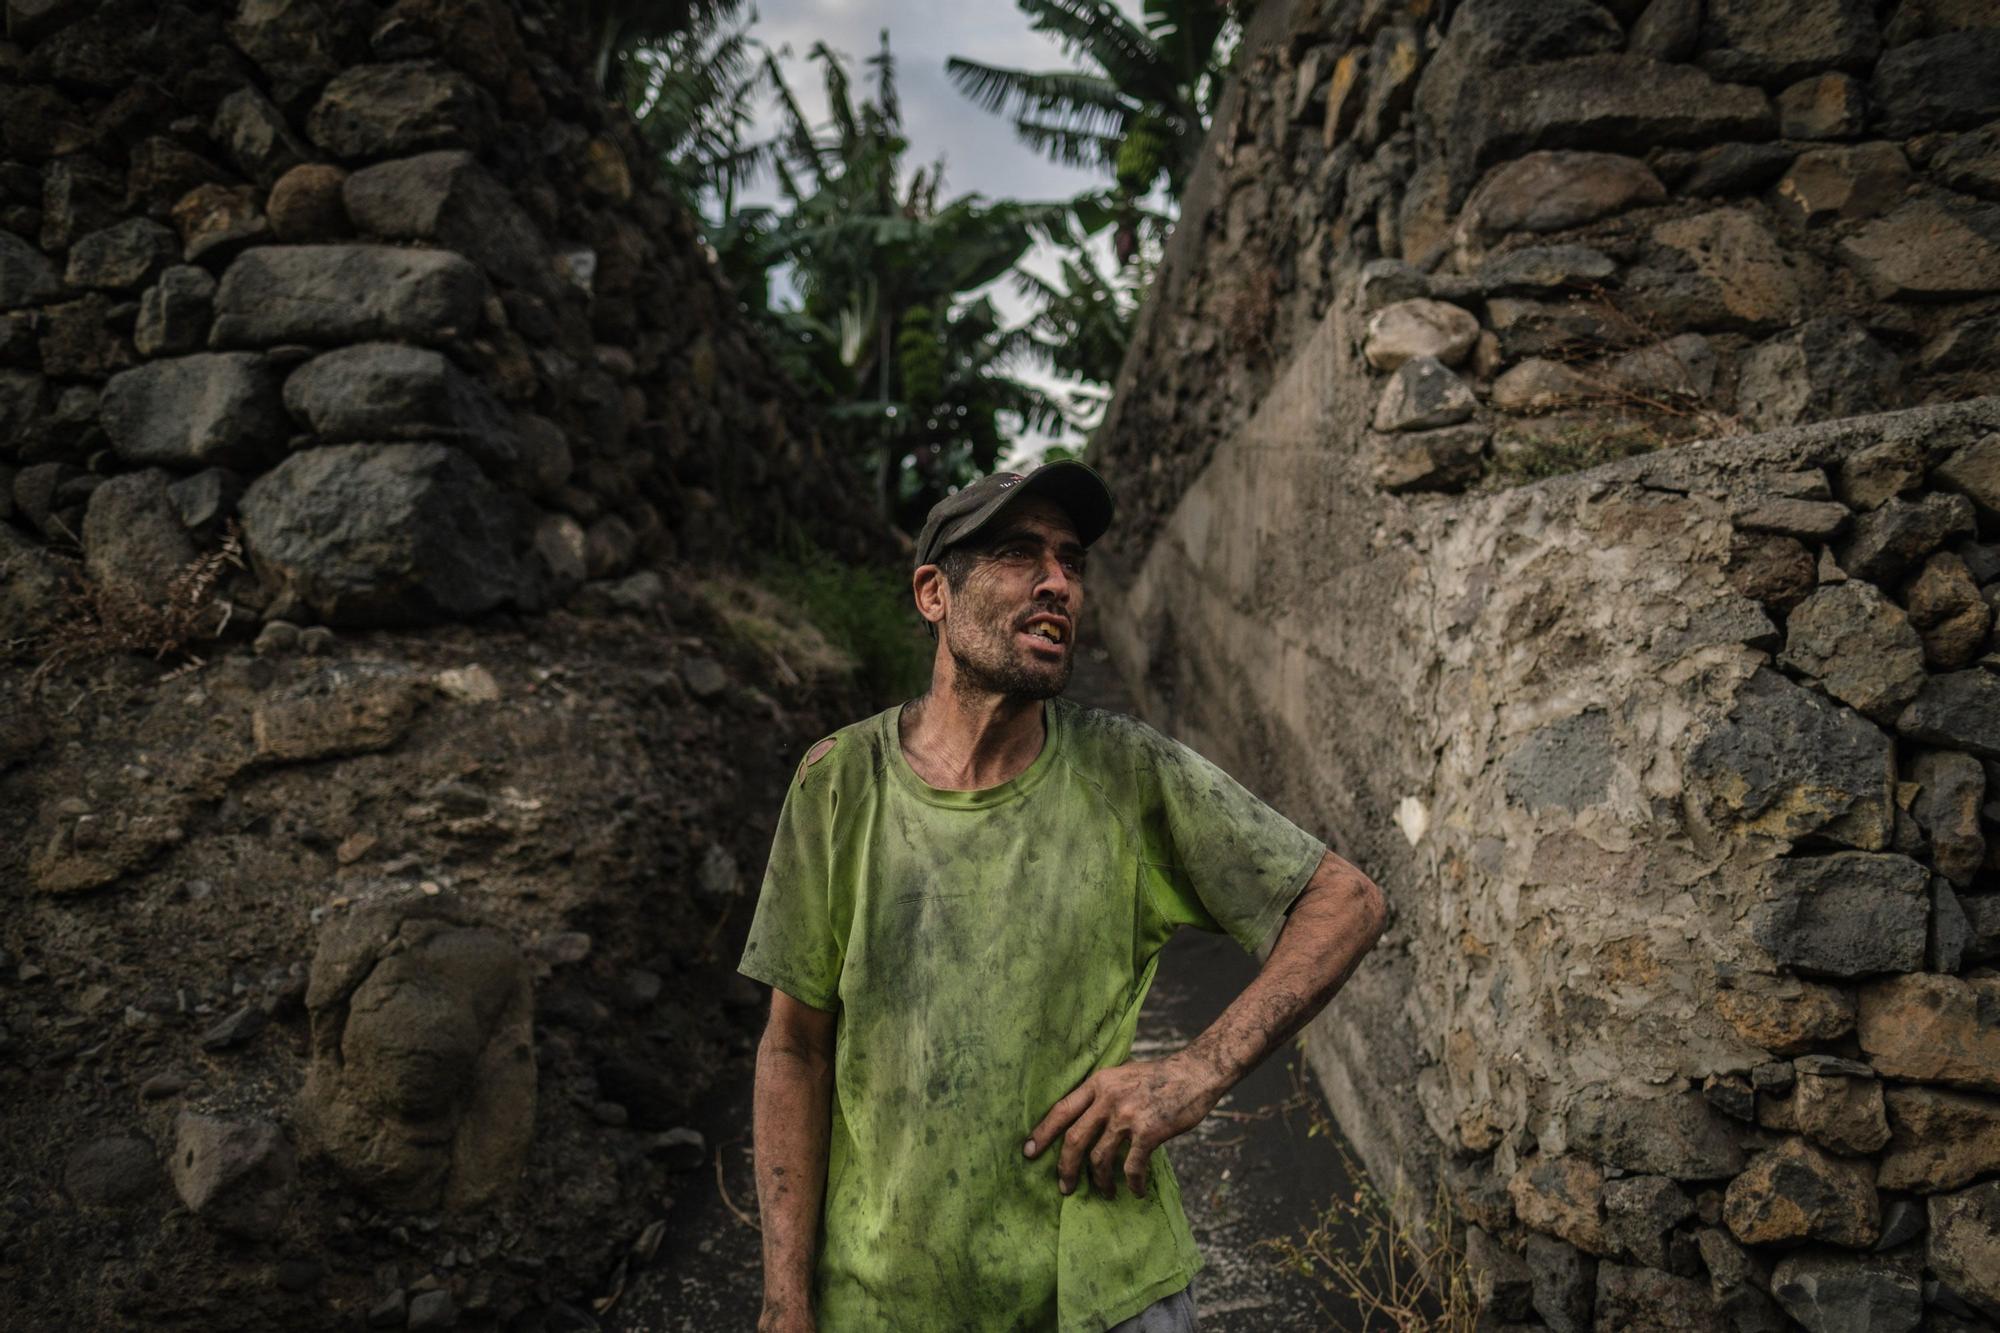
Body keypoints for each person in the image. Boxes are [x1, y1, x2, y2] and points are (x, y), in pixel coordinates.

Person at [739, 460, 1388, 1333]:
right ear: (934, 592)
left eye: (1072, 562)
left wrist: (1197, 1069)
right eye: (1019, 554)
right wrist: (786, 1296)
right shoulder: (838, 783)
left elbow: (1344, 900)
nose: (1059, 584)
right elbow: (795, 1051)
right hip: (886, 1294)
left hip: (1105, 1293)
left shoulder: (1130, 772)